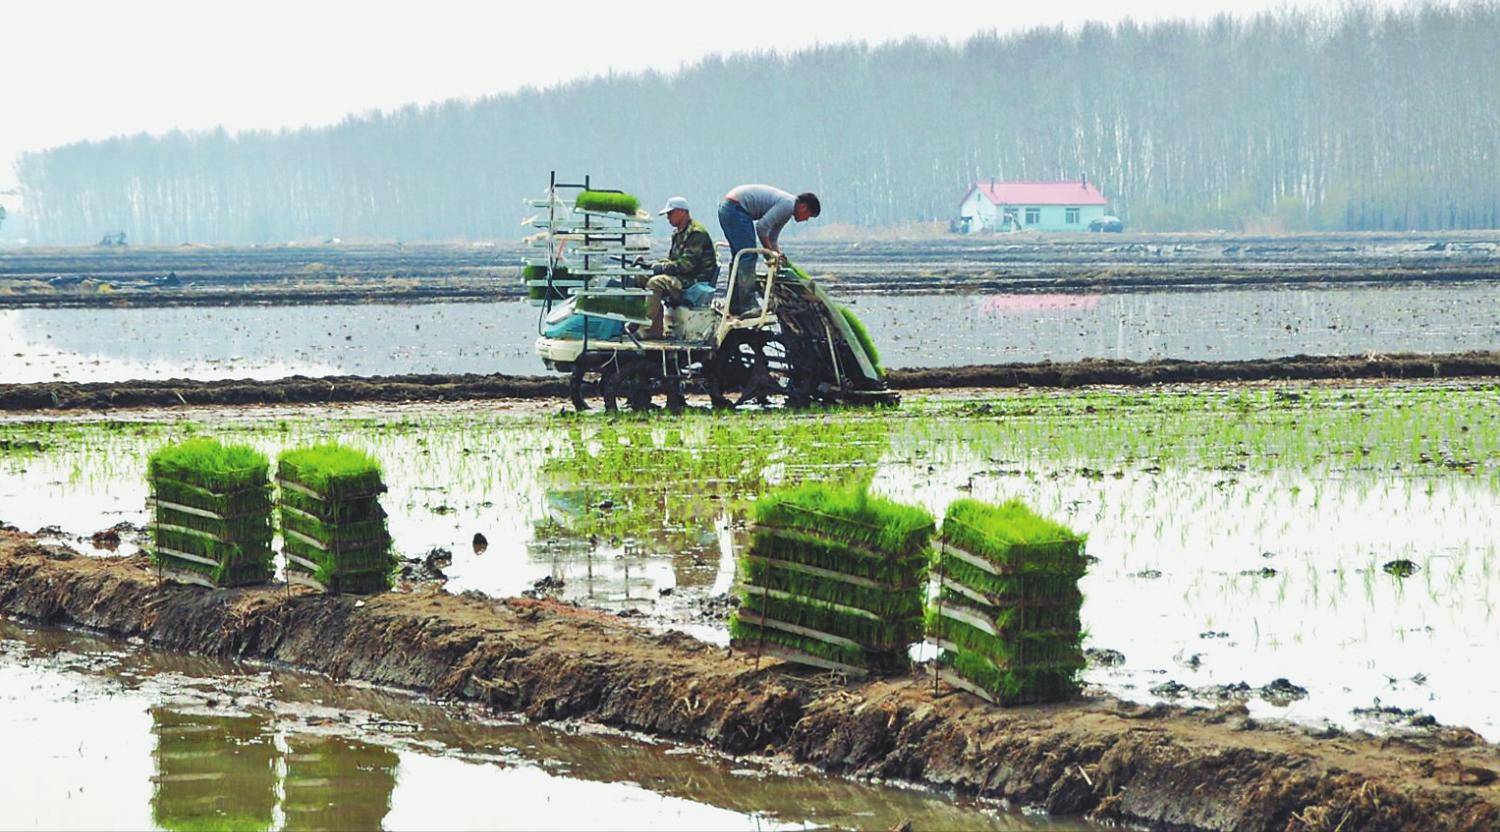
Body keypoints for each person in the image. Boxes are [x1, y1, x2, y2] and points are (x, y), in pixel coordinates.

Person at [717, 185, 820, 314]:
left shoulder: (787, 210)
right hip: (736, 209)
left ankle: (735, 305)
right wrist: (770, 254)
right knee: (748, 255)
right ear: (803, 207)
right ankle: (746, 305)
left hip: (729, 208)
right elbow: (761, 227)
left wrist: (777, 257)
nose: (806, 219)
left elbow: (772, 238)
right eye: (808, 216)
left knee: (741, 256)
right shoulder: (787, 205)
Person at [635, 196, 718, 339]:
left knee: (656, 282)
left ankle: (645, 330)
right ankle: (652, 327)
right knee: (641, 276)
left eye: (670, 213)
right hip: (681, 277)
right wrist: (651, 265)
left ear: (681, 212)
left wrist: (662, 268)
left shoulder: (696, 233)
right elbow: (672, 260)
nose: (668, 218)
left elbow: (686, 265)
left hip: (693, 282)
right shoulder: (677, 234)